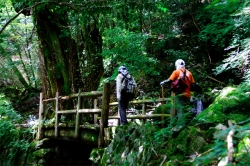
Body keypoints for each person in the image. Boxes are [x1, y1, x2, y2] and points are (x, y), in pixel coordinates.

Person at [160, 59, 195, 130]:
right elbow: (192, 84)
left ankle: (181, 125)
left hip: (180, 94)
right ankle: (188, 124)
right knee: (186, 109)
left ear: (177, 65)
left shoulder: (176, 72)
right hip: (188, 95)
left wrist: (163, 82)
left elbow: (170, 80)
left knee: (180, 109)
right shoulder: (189, 73)